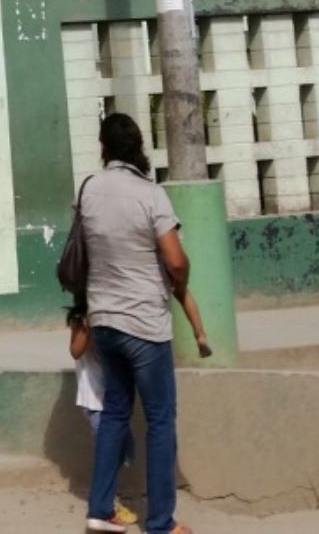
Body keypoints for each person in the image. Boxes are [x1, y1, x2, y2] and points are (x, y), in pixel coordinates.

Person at [81, 112, 194, 534]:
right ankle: (161, 522)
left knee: (115, 412)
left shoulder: (88, 190)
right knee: (161, 419)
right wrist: (179, 281)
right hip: (144, 322)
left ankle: (100, 508)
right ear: (139, 147)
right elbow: (176, 259)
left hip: (103, 319)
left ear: (104, 147)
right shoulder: (151, 195)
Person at [69, 302, 139, 532]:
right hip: (96, 401)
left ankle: (106, 501)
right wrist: (89, 326)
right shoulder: (84, 317)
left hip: (114, 401)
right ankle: (105, 507)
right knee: (109, 451)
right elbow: (75, 351)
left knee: (122, 451)